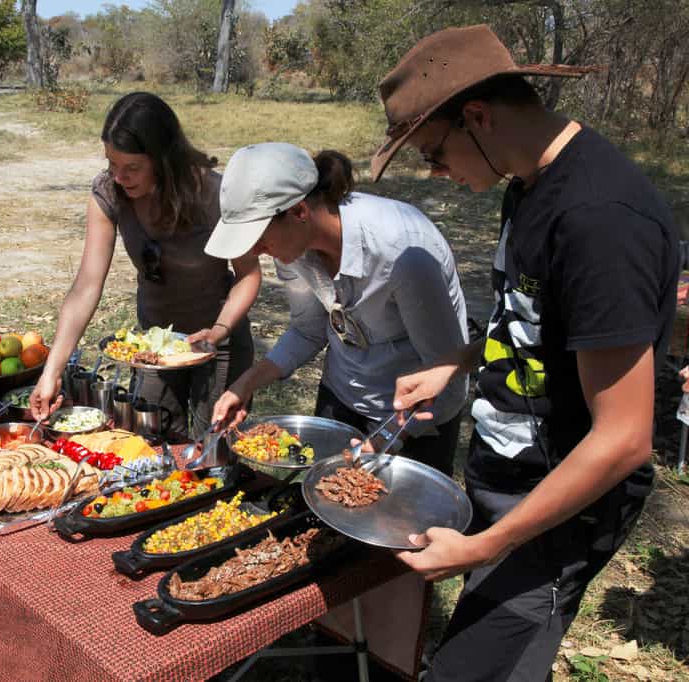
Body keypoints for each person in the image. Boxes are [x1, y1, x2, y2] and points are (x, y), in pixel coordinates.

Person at [372, 25, 679, 681]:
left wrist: (484, 546)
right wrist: (455, 362)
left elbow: (624, 439)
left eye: (434, 153)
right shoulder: (527, 183)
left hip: (562, 508)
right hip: (511, 479)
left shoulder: (601, 219)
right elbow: (527, 316)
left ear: (476, 116)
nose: (439, 175)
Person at [207, 143, 469, 476]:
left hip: (416, 418)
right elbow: (307, 330)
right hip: (344, 394)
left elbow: (444, 370)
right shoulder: (294, 249)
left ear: (300, 211)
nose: (255, 250)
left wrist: (385, 440)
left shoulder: (403, 252)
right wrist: (245, 383)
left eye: (258, 236)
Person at [30, 92, 261, 440]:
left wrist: (219, 330)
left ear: (163, 158)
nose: (119, 177)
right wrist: (52, 372)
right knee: (150, 443)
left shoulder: (214, 193)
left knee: (213, 450)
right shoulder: (108, 193)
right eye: (112, 164)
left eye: (132, 167)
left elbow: (248, 274)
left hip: (218, 342)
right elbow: (86, 287)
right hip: (154, 347)